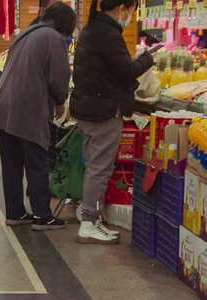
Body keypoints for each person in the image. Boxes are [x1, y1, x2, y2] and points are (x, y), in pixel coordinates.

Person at [71, 0, 154, 244]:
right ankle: (89, 223)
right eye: (131, 10)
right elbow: (127, 70)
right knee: (100, 169)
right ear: (121, 8)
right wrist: (148, 59)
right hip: (102, 112)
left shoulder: (90, 29)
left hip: (86, 108)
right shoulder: (108, 33)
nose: (129, 16)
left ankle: (90, 218)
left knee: (94, 168)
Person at [0, 2, 76, 231]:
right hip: (28, 108)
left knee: (12, 164)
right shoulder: (55, 38)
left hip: (3, 106)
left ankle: (15, 212)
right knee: (38, 162)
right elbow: (59, 77)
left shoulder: (25, 33)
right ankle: (42, 215)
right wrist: (60, 101)